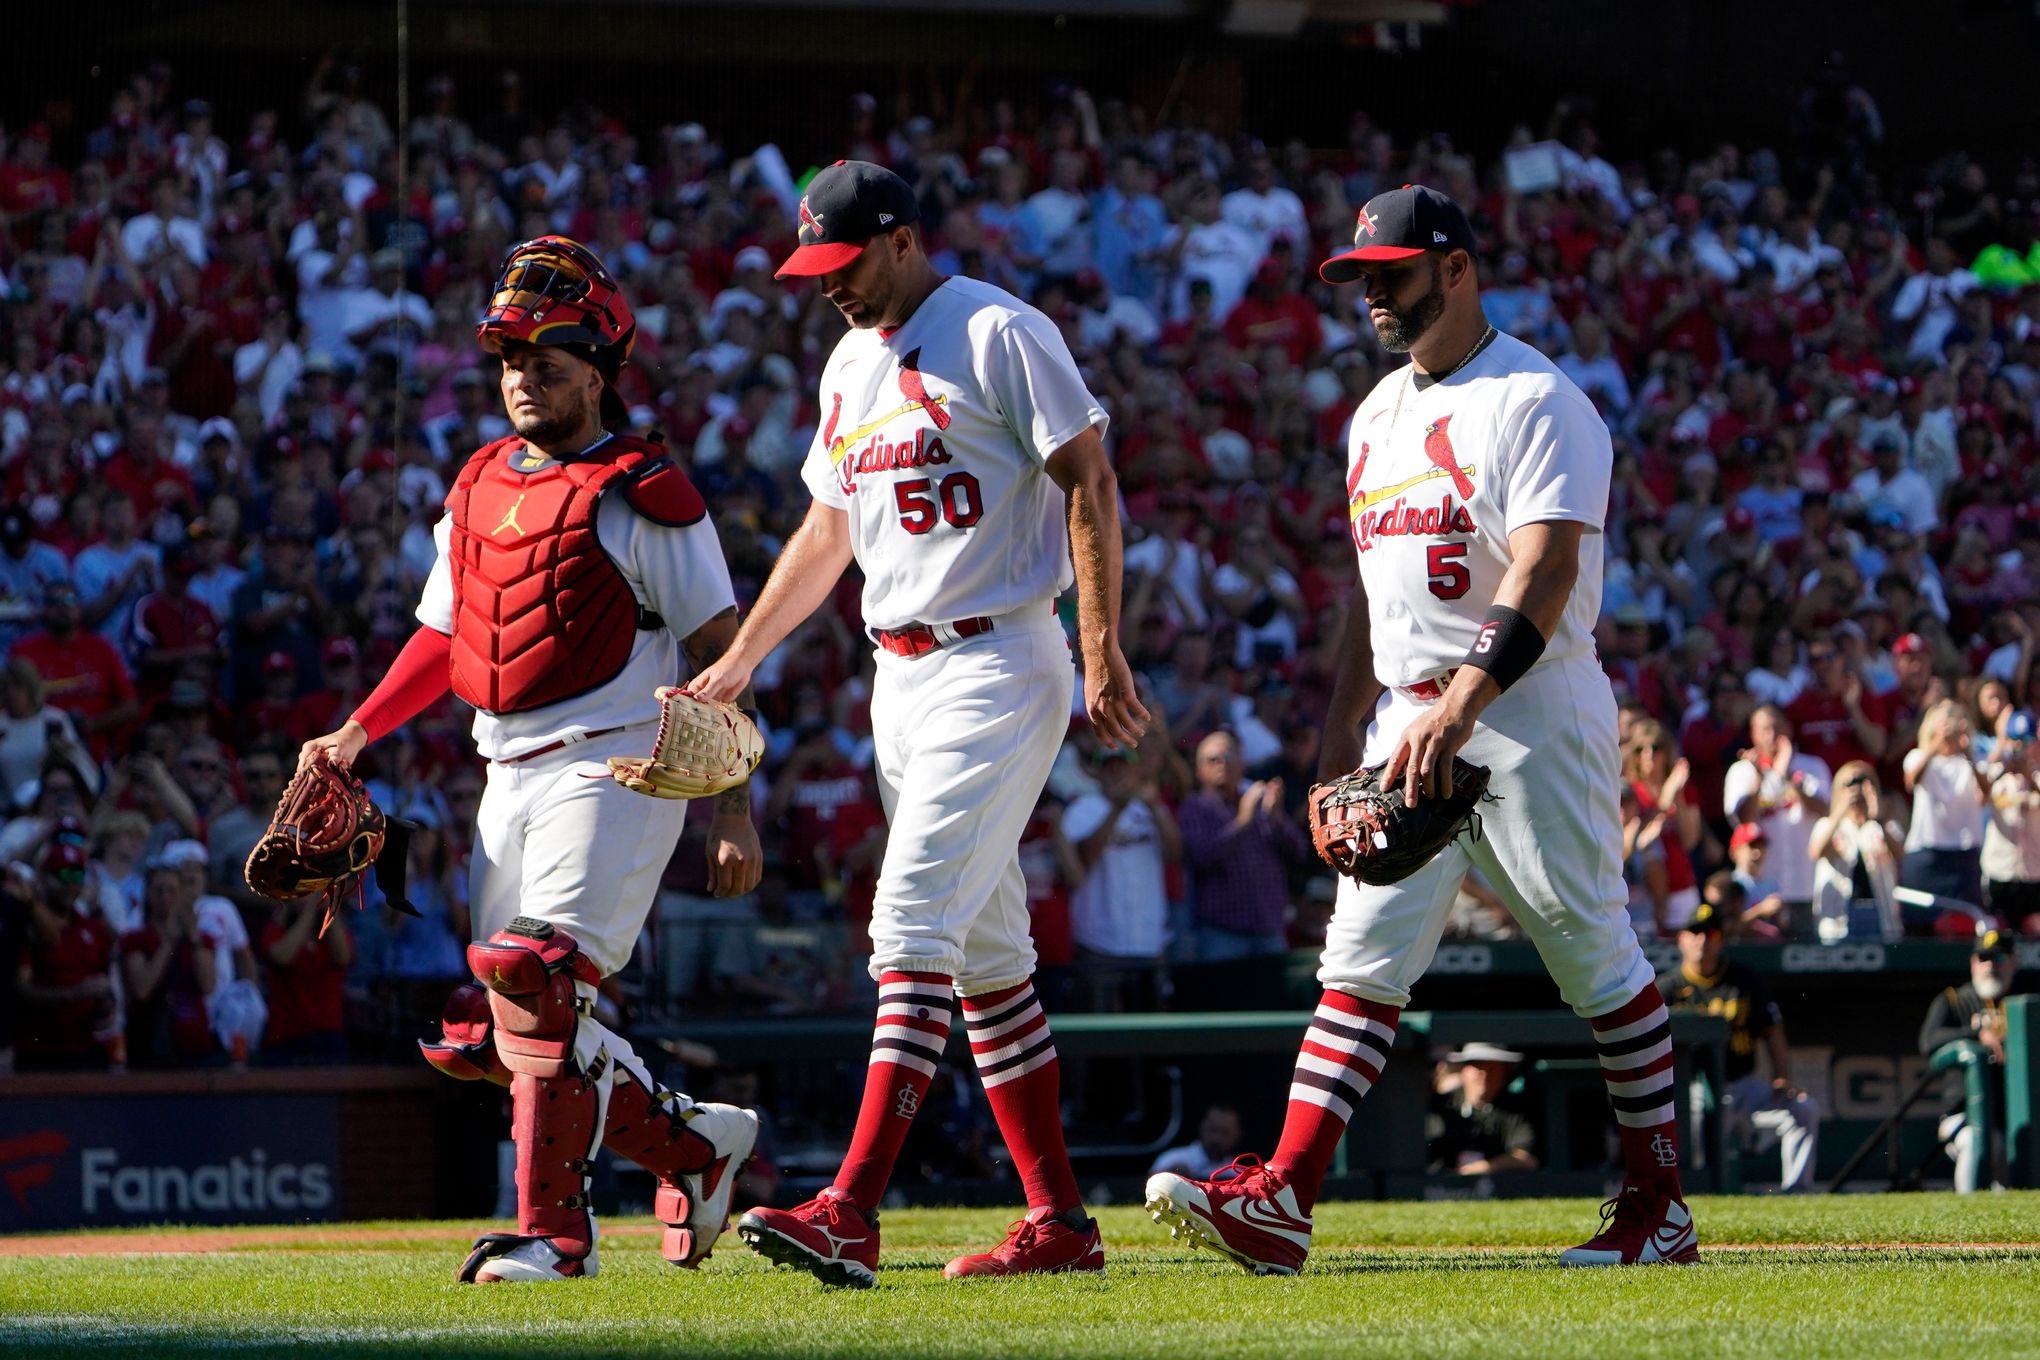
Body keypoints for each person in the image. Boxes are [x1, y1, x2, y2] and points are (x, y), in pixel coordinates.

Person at [1144, 185, 1698, 1273]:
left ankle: (1659, 1205)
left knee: (1592, 952)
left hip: (1527, 702)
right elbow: (1371, 594)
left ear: (1456, 267)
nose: (1371, 297)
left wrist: (1463, 703)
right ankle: (1285, 1198)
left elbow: (1544, 570)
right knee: (1358, 961)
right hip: (1409, 710)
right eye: (1358, 279)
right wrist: (1340, 728)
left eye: (1391, 273)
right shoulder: (1375, 415)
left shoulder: (1537, 397)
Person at [691, 161, 1148, 1286]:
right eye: (815, 268)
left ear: (900, 240)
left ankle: (850, 1209)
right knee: (989, 959)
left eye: (843, 263)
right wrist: (741, 660)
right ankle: (1062, 1223)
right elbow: (827, 527)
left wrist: (1100, 644)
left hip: (1000, 652)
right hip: (901, 671)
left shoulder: (997, 329)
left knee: (907, 927)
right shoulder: (849, 364)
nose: (828, 287)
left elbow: (1090, 477)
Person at [300, 235, 762, 1284]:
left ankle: (556, 1238)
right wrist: (358, 728)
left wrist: (735, 807)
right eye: (511, 360)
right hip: (503, 770)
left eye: (546, 363)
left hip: (620, 764)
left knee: (533, 976)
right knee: (509, 1029)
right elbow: (443, 633)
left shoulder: (642, 488)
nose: (522, 379)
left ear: (597, 372)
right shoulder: (474, 484)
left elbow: (718, 652)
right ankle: (700, 1147)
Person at [1659, 902, 1820, 1192]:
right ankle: (1695, 1194)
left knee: (1804, 1109)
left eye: (1711, 933)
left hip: (1744, 1087)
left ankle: (1796, 1193)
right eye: (1695, 933)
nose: (1703, 940)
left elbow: (1773, 1032)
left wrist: (1781, 1077)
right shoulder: (1667, 988)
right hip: (1694, 1090)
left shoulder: (1744, 979)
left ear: (1721, 939)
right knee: (1692, 1126)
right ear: (1681, 938)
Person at [1177, 730, 1309, 960]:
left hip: (1268, 926)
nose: (1222, 764)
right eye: (1213, 759)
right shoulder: (1196, 807)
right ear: (1199, 770)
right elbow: (1201, 856)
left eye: (1229, 757)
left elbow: (1299, 851)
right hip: (1221, 931)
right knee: (1225, 996)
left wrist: (1276, 817)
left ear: (1242, 762)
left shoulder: (1259, 801)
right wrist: (1242, 821)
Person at [1920, 928, 2024, 1192]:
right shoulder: (1954, 1000)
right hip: (1963, 1116)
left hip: (2018, 1117)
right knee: (1981, 1139)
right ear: (1973, 963)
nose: (1990, 966)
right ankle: (1968, 1211)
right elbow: (1928, 1041)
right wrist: (1977, 1035)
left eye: (1999, 959)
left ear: (2015, 961)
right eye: (1983, 958)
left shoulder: (2026, 1001)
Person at [1722, 706, 1832, 933]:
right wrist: (1759, 781)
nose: (1771, 735)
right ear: (1753, 734)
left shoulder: (1813, 766)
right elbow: (1743, 820)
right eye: (1764, 729)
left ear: (1788, 729)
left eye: (1776, 727)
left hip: (1808, 885)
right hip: (1761, 892)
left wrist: (1789, 776)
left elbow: (1826, 811)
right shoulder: (1742, 771)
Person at [1901, 699, 1989, 908]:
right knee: (1920, 925)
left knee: (1967, 923)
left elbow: (1985, 792)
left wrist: (1967, 750)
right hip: (1926, 852)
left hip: (1964, 855)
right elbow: (1911, 780)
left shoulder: (1975, 761)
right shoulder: (1918, 756)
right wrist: (1936, 743)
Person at [1809, 760, 1903, 941]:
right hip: (1839, 917)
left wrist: (1878, 817)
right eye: (1851, 783)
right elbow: (1816, 851)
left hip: (1879, 914)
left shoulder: (1883, 826)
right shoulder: (1828, 825)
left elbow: (1899, 854)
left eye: (1864, 782)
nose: (1857, 789)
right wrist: (1840, 809)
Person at [1425, 1043, 1540, 1177]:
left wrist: (1481, 1168)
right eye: (1477, 1065)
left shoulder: (1515, 1109)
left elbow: (1526, 1159)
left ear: (1504, 1073)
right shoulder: (1441, 1106)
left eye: (1492, 1068)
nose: (1484, 1074)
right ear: (1463, 1071)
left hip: (1494, 1188)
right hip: (1438, 1188)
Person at [1151, 1105, 1245, 1181]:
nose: (1216, 1138)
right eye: (1212, 1130)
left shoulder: (1239, 1173)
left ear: (1237, 1134)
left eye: (1225, 1132)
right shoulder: (1172, 1158)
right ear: (1201, 1127)